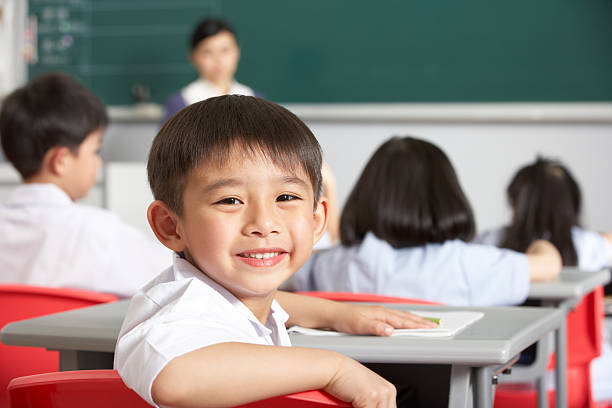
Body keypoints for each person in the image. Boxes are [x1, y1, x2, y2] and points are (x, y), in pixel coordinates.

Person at [114, 96, 436, 408]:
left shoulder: (221, 295)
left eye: (285, 197)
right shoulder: (176, 316)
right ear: (171, 226)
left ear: (316, 220)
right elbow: (175, 379)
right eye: (230, 200)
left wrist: (335, 314)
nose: (264, 223)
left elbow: (255, 301)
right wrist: (334, 367)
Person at [292, 136, 562, 306]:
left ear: (366, 195)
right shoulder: (465, 265)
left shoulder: (331, 264)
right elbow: (549, 266)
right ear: (446, 196)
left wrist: (332, 188)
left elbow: (297, 268)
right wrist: (540, 241)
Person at [0, 72, 172, 297]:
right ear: (60, 160)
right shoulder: (98, 233)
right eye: (95, 150)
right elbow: (173, 275)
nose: (98, 161)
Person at [476, 157, 612, 402]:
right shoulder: (589, 245)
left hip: (498, 382)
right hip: (577, 380)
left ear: (516, 202)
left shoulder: (490, 243)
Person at [161, 17, 255, 124]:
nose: (218, 60)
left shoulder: (255, 101)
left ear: (237, 52)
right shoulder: (179, 104)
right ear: (193, 57)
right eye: (207, 52)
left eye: (225, 50)